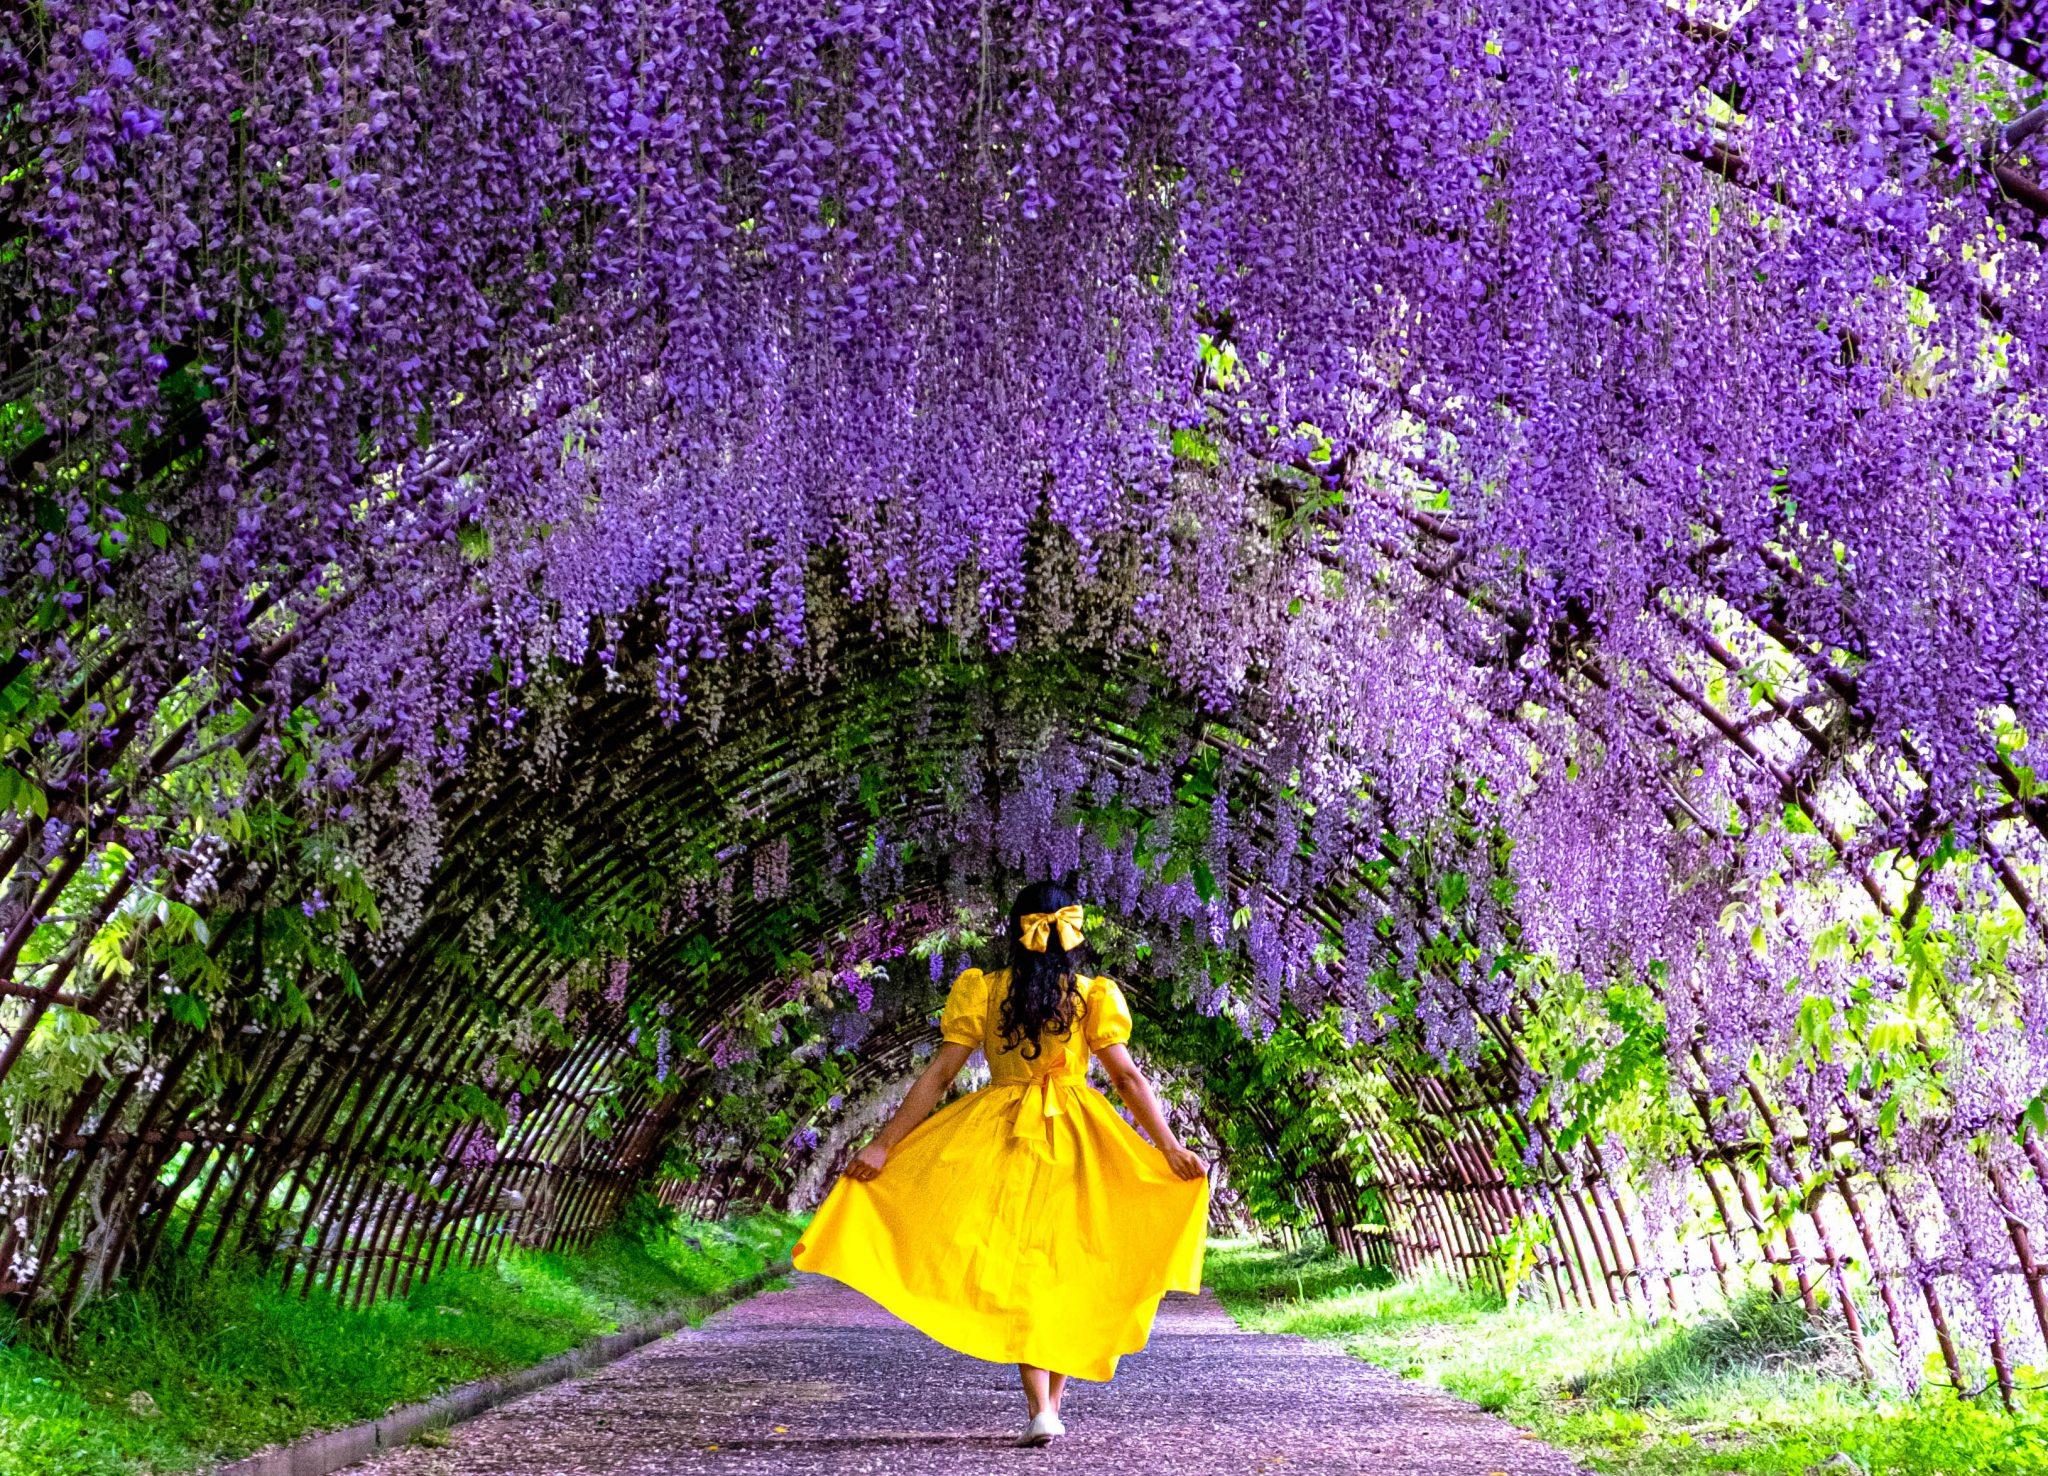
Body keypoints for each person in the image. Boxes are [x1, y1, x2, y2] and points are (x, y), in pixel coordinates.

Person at [792, 881, 1211, 1447]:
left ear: (1013, 930)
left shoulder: (985, 991)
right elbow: (1127, 1078)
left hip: (1001, 1130)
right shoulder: (1093, 995)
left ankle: (1042, 1408)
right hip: (1079, 1134)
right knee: (1064, 1266)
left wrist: (884, 1144)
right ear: (1071, 932)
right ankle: (1049, 1409)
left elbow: (939, 1075)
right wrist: (1168, 1147)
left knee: (1018, 1265)